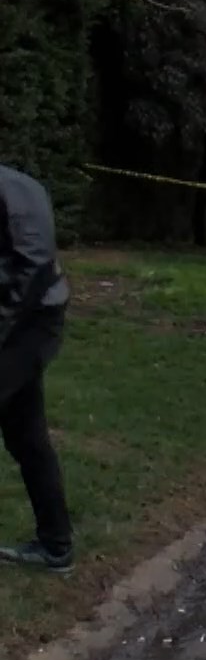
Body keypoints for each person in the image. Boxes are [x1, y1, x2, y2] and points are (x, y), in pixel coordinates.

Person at [0, 164, 75, 574]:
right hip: (20, 324)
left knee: (27, 436)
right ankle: (56, 546)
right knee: (26, 437)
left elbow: (33, 268)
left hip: (29, 324)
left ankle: (56, 545)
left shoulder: (16, 190)